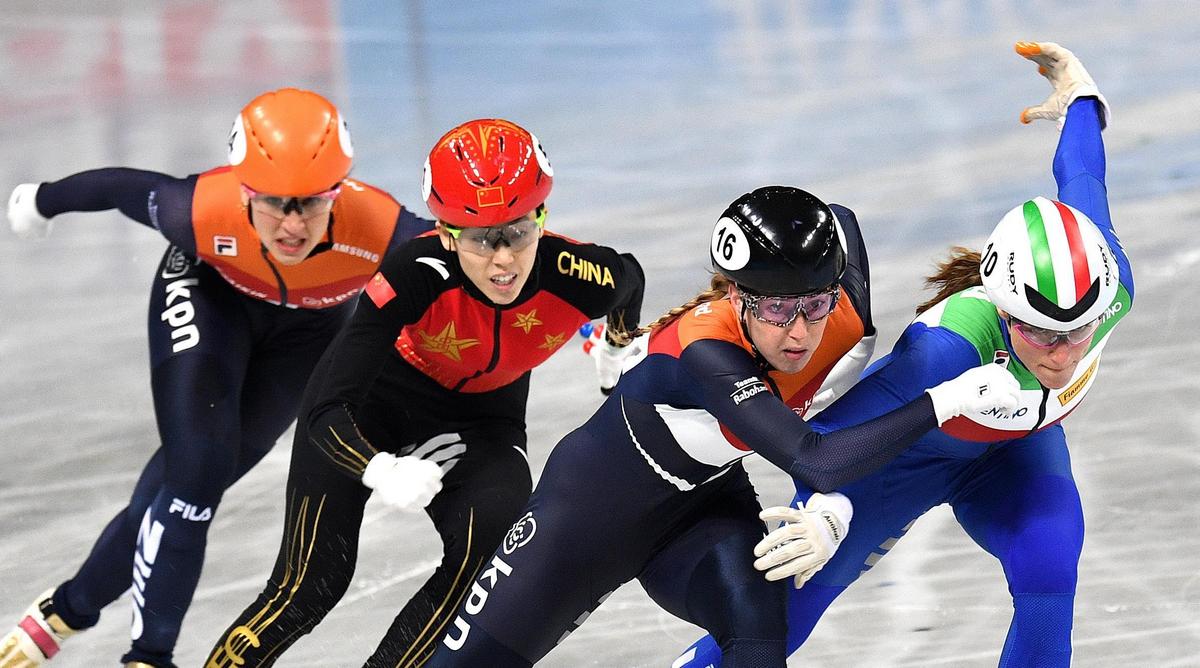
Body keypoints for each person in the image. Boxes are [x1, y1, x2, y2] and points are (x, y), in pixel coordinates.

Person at [423, 185, 1022, 667]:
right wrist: (948, 399)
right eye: (776, 309)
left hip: (700, 507)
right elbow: (815, 458)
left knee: (759, 627)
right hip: (584, 516)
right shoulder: (706, 353)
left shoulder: (841, 312)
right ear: (735, 295)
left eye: (815, 304)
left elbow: (839, 219)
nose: (799, 332)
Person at [675, 41, 1129, 668]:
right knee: (775, 631)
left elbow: (1083, 178)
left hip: (1010, 456)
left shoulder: (1112, 283)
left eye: (1078, 332)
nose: (1061, 352)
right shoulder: (947, 351)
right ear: (1001, 309)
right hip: (890, 466)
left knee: (1052, 566)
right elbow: (830, 433)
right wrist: (826, 512)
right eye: (1037, 332)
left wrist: (1082, 100)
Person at [0, 88, 432, 668]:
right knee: (197, 472)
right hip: (209, 303)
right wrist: (41, 201)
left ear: (338, 192)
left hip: (308, 335)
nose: (293, 223)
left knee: (181, 489)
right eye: (275, 202)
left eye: (311, 202)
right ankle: (148, 654)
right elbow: (120, 187)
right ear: (245, 190)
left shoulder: (380, 227)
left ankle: (67, 609)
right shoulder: (199, 209)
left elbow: (480, 259)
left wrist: (585, 310)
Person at [204, 117, 646, 667]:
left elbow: (630, 278)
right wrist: (378, 469)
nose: (503, 259)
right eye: (482, 239)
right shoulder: (413, 271)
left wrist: (617, 345)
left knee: (491, 551)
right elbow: (324, 410)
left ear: (542, 220)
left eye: (519, 231)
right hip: (375, 403)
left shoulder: (579, 273)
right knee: (308, 588)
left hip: (482, 421)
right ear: (445, 234)